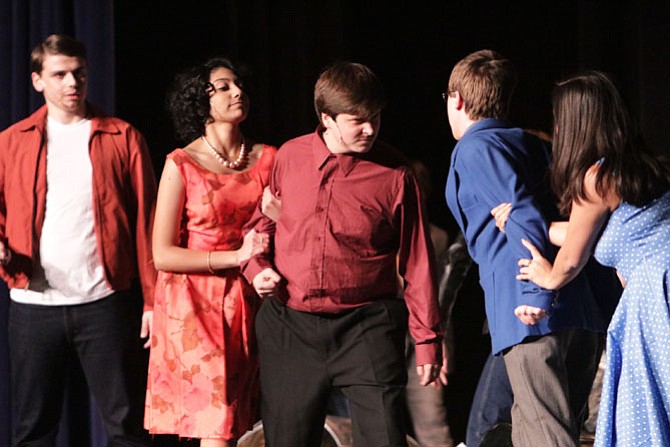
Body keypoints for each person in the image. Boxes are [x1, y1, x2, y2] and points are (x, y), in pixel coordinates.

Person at [241, 61, 444, 447]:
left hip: (365, 326)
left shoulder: (395, 174)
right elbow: (259, 225)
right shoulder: (290, 157)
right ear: (326, 118)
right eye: (357, 120)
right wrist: (257, 269)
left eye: (375, 117)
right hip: (292, 327)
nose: (370, 129)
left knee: (384, 437)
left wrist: (427, 340)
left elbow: (418, 262)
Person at [443, 49, 607, 447]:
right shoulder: (534, 146)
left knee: (544, 432)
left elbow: (522, 214)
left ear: (458, 99)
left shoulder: (476, 147)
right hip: (575, 309)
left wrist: (537, 293)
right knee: (534, 427)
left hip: (529, 307)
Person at [0, 34, 157, 446]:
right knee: (34, 429)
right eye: (60, 74)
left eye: (79, 73)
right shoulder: (11, 141)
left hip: (104, 304)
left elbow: (148, 224)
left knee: (127, 428)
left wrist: (154, 301)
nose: (72, 82)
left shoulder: (122, 138)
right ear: (38, 81)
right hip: (34, 308)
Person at [503, 70, 670, 447]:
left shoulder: (598, 178)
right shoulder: (646, 168)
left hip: (653, 303)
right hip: (661, 292)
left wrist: (548, 275)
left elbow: (571, 260)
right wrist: (527, 223)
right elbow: (584, 233)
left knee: (648, 409)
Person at [144, 57, 277, 447]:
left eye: (239, 85)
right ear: (199, 103)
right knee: (214, 423)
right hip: (192, 306)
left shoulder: (269, 158)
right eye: (222, 87)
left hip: (251, 299)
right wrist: (233, 257)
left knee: (239, 421)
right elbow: (163, 254)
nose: (238, 92)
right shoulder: (181, 164)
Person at [403, 159, 454, 447]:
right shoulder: (381, 233)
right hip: (383, 340)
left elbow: (442, 296)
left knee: (431, 420)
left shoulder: (436, 237)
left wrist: (441, 344)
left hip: (423, 342)